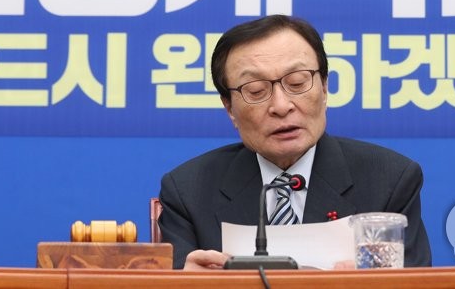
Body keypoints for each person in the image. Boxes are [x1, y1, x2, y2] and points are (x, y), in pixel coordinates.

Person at [158, 15, 431, 269]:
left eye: (298, 83)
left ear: (324, 88)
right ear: (229, 107)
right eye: (256, 90)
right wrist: (186, 284)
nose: (281, 106)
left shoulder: (389, 182)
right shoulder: (188, 192)